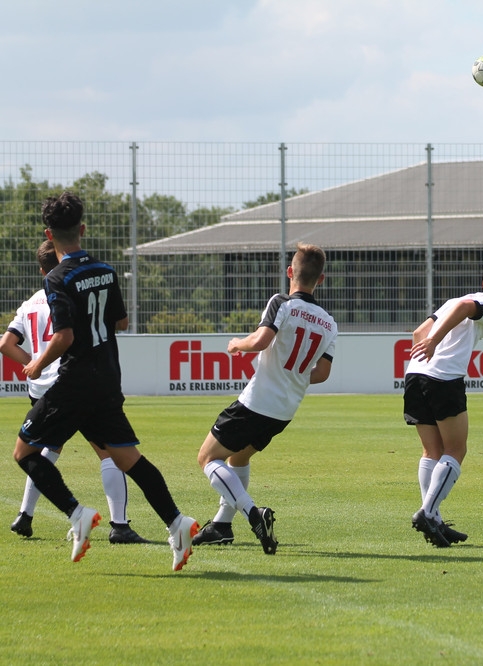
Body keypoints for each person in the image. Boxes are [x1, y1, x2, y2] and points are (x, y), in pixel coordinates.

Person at [12, 191, 198, 569]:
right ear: (82, 229)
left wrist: (36, 364)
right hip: (108, 376)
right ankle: (178, 523)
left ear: (48, 234)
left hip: (76, 381)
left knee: (25, 452)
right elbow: (121, 323)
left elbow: (63, 338)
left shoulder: (57, 278)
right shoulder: (105, 271)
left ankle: (77, 513)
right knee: (130, 459)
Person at [193, 243, 337, 555]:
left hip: (257, 401)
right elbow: (322, 372)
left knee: (207, 458)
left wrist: (237, 344)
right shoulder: (329, 322)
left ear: (290, 272)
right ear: (321, 279)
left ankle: (253, 514)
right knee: (239, 458)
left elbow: (261, 341)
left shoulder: (281, 303)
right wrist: (295, 377)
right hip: (284, 411)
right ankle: (221, 525)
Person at [3, 240, 149, 544]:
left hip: (39, 388)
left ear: (41, 270)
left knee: (42, 451)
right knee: (108, 452)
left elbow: (6, 344)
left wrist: (33, 363)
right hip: (73, 383)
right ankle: (119, 525)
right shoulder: (73, 294)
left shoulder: (30, 303)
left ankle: (25, 515)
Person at [404, 257, 483, 548]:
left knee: (432, 450)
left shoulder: (455, 298)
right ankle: (428, 512)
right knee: (456, 449)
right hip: (443, 378)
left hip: (416, 373)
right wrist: (435, 342)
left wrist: (429, 342)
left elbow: (418, 333)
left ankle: (435, 517)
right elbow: (466, 310)